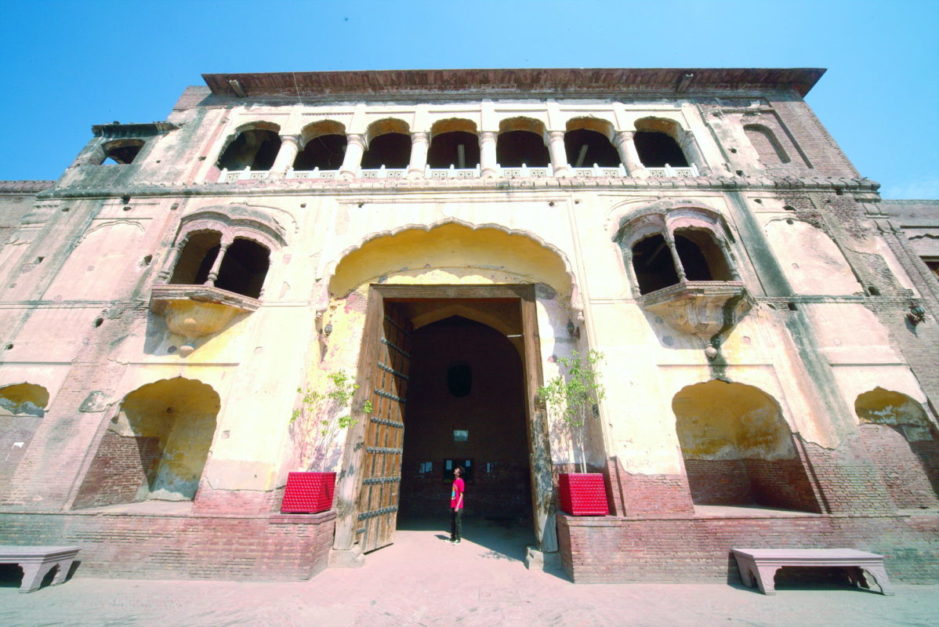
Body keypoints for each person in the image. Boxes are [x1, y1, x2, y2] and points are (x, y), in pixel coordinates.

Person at [449, 466, 464, 543]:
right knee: (452, 522)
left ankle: (458, 539)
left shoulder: (460, 481)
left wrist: (457, 506)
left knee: (457, 522)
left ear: (459, 473)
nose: (454, 470)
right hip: (453, 504)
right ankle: (453, 538)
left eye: (456, 470)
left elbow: (461, 495)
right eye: (455, 469)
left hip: (458, 506)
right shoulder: (454, 481)